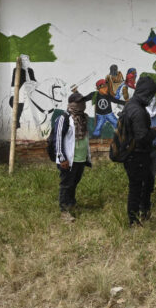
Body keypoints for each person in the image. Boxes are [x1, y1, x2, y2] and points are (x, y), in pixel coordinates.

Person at [122, 76, 156, 226]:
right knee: (136, 188)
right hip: (137, 156)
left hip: (133, 154)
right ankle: (133, 221)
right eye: (151, 95)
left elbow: (137, 130)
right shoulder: (138, 111)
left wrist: (152, 130)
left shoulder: (130, 106)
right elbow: (141, 137)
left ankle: (143, 213)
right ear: (146, 93)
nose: (152, 98)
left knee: (145, 183)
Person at [54, 91, 91, 223]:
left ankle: (71, 203)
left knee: (74, 182)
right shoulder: (63, 118)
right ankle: (64, 211)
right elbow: (58, 139)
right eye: (80, 102)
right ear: (72, 104)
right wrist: (62, 157)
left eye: (84, 102)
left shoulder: (83, 118)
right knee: (66, 184)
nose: (83, 105)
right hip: (67, 160)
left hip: (80, 158)